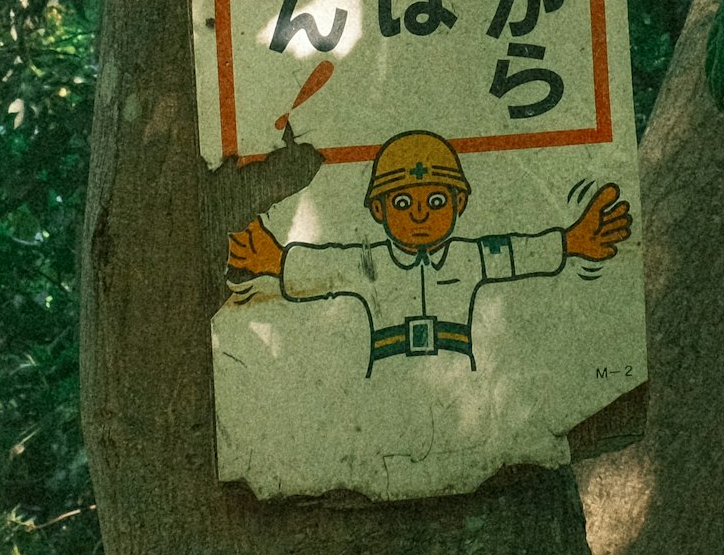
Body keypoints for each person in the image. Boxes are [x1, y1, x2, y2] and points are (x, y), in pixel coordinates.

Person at [223, 130, 631, 374]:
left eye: (436, 201)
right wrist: (276, 261)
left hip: (463, 377)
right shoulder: (373, 262)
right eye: (402, 203)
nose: (419, 214)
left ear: (459, 205)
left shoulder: (468, 258)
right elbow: (333, 264)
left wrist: (571, 242)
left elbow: (512, 253)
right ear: (379, 210)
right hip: (382, 377)